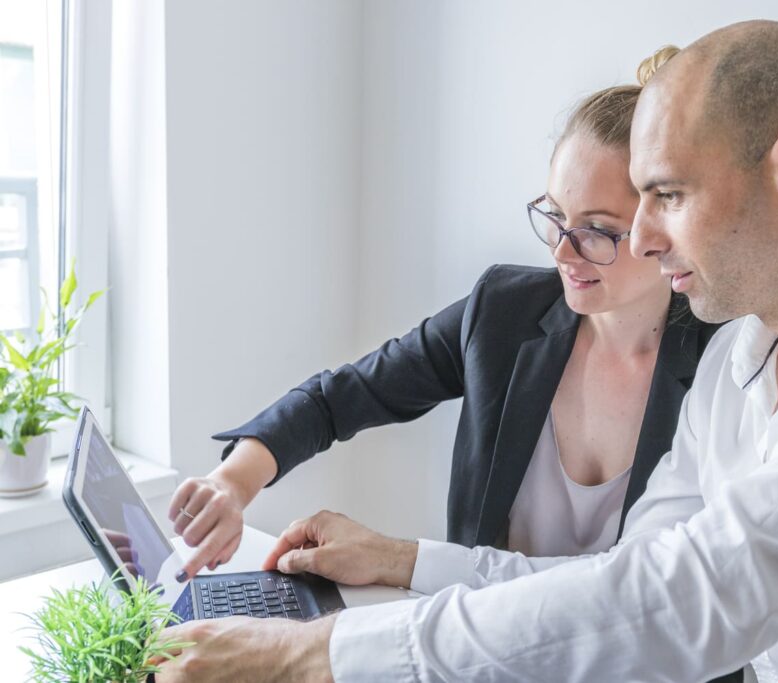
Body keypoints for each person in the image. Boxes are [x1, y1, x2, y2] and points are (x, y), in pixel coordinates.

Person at [157, 19, 778, 683]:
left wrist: (322, 654)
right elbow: (620, 579)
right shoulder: (736, 368)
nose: (644, 236)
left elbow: (703, 587)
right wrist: (403, 563)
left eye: (667, 195)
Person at [162, 46, 739, 683]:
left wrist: (401, 559)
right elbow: (343, 395)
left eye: (598, 230)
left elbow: (635, 598)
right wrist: (235, 481)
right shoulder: (504, 312)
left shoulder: (730, 365)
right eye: (554, 217)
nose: (564, 254)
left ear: (663, 221)